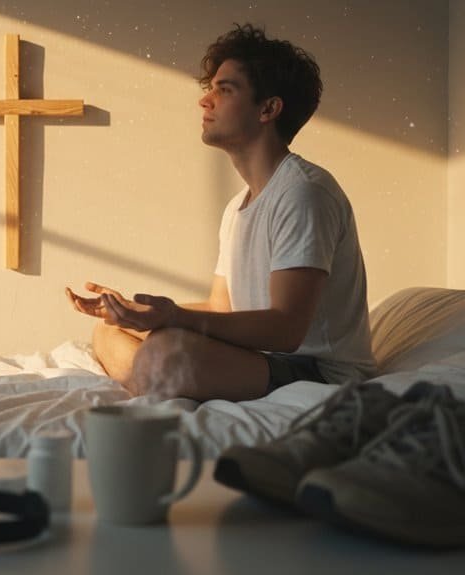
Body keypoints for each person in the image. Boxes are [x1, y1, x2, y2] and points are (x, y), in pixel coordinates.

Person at [66, 23, 375, 402]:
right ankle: (156, 378)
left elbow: (285, 331)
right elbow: (219, 308)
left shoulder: (304, 193)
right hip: (260, 359)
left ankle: (158, 376)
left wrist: (173, 319)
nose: (205, 100)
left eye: (224, 89)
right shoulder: (237, 208)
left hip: (316, 373)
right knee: (108, 332)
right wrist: (138, 313)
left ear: (268, 108)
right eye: (210, 88)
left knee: (165, 353)